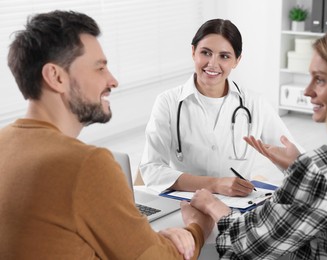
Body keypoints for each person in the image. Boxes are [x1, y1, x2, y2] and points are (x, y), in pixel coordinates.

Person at [0, 10, 214, 259]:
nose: (113, 81)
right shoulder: (84, 165)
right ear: (56, 77)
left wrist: (151, 241)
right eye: (100, 68)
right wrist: (197, 229)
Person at [183, 22, 327, 259]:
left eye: (320, 80)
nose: (307, 91)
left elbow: (249, 246)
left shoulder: (322, 168)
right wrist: (297, 166)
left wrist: (212, 206)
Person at [139, 19, 302, 196]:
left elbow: (296, 162)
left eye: (224, 56)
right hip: (186, 203)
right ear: (193, 52)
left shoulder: (255, 104)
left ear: (237, 60)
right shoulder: (168, 102)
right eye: (206, 53)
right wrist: (214, 184)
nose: (212, 64)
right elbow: (151, 170)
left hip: (239, 206)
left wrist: (291, 164)